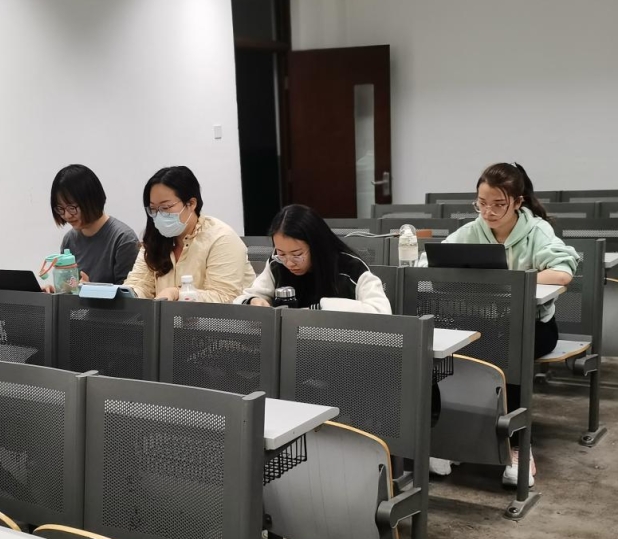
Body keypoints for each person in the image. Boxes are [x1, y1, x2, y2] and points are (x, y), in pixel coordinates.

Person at [423, 162, 579, 486]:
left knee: (505, 353)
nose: (488, 212)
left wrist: (512, 280)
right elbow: (428, 263)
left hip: (533, 327)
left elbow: (563, 272)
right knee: (446, 354)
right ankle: (453, 440)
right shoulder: (472, 231)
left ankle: (519, 447)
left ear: (518, 202)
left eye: (498, 204)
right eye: (481, 203)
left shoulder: (536, 231)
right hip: (484, 324)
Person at [123, 166, 255, 302]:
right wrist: (129, 293)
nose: (159, 215)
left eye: (165, 207)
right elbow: (139, 283)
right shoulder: (155, 239)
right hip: (168, 316)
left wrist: (178, 293)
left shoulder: (221, 238)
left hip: (218, 316)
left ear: (191, 203)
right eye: (153, 209)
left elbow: (225, 298)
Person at [235, 204, 392, 314]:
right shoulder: (277, 264)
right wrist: (253, 301)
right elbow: (244, 298)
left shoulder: (351, 269)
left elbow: (382, 312)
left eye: (297, 254)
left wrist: (321, 308)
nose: (289, 263)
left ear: (316, 246)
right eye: (281, 253)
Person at [47, 164, 139, 289]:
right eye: (60, 209)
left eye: (72, 208)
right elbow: (70, 289)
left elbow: (129, 295)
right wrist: (56, 291)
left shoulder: (123, 239)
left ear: (91, 201)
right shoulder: (69, 240)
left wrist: (91, 290)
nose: (67, 215)